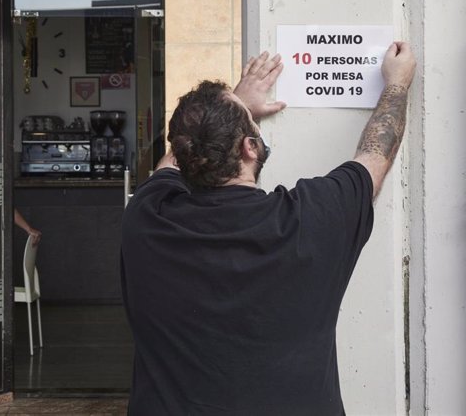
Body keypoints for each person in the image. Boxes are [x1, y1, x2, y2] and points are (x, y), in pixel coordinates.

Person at [120, 42, 416, 414]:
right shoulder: (310, 219)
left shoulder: (147, 218)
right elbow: (376, 154)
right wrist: (397, 84)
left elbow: (176, 158)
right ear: (250, 147)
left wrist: (227, 115)